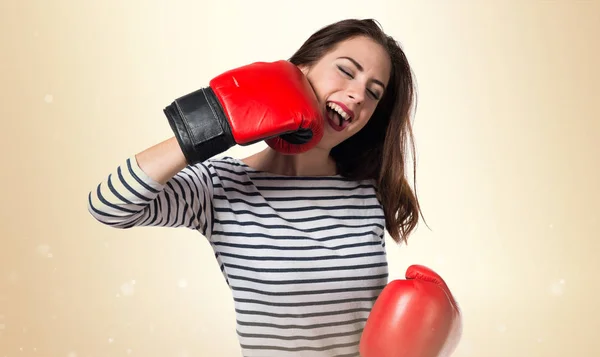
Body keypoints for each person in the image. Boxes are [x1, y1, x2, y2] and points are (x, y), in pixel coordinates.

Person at [88, 18, 461, 357]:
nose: (358, 94)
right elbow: (108, 205)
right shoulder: (220, 185)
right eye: (346, 71)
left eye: (374, 93)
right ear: (300, 70)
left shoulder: (367, 191)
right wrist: (214, 121)